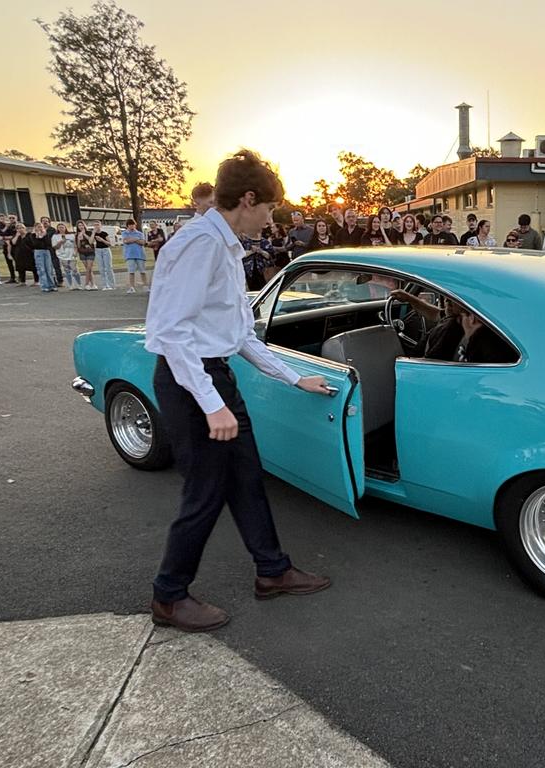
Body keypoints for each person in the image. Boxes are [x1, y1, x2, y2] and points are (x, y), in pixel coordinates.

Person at [144, 149, 332, 632]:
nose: (271, 220)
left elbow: (240, 333)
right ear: (247, 200)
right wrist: (211, 405)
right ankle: (168, 596)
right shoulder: (200, 245)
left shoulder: (225, 246)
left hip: (213, 377)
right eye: (269, 209)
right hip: (192, 383)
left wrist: (293, 376)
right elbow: (172, 334)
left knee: (246, 477)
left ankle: (272, 572)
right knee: (204, 493)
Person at [390, 290, 516, 364]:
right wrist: (409, 298)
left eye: (451, 299)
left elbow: (431, 363)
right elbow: (435, 313)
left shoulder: (452, 328)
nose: (447, 302)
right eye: (446, 299)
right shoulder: (453, 319)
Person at [122, 219, 149, 293]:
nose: (132, 226)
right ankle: (131, 287)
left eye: (133, 224)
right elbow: (126, 241)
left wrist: (133, 240)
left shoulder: (139, 233)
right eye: (130, 225)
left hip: (140, 254)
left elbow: (143, 242)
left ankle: (146, 286)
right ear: (127, 226)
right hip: (130, 255)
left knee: (142, 271)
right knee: (131, 271)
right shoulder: (125, 233)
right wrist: (136, 239)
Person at [53, 223, 83, 289]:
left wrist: (75, 252)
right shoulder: (55, 236)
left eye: (62, 227)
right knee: (67, 271)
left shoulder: (71, 235)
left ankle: (79, 284)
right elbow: (55, 247)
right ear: (57, 229)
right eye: (59, 227)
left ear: (65, 228)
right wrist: (60, 242)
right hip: (62, 256)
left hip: (72, 255)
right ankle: (71, 285)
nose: (61, 228)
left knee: (75, 269)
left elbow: (75, 245)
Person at [31, 222, 57, 292]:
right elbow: (35, 245)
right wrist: (38, 236)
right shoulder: (33, 235)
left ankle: (52, 285)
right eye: (38, 227)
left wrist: (44, 236)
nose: (40, 228)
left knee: (49, 269)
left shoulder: (46, 235)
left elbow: (48, 244)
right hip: (38, 252)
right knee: (41, 269)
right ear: (35, 228)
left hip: (46, 251)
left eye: (41, 227)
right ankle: (44, 286)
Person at [93, 221, 116, 290]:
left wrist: (102, 240)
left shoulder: (104, 234)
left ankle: (112, 285)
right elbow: (91, 242)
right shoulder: (93, 234)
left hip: (106, 250)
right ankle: (105, 285)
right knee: (101, 268)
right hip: (98, 251)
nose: (96, 226)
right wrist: (93, 233)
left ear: (100, 226)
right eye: (95, 225)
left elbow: (109, 244)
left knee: (108, 267)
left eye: (98, 225)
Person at [75, 220, 98, 290]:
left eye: (82, 225)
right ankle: (92, 284)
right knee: (89, 269)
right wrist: (79, 238)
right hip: (82, 252)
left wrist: (84, 234)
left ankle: (86, 284)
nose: (81, 227)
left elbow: (91, 241)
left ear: (84, 225)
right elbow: (78, 246)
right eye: (79, 226)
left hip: (90, 252)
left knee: (89, 268)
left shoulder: (89, 232)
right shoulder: (77, 234)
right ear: (77, 227)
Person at [41, 216, 63, 286]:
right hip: (44, 250)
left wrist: (44, 234)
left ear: (49, 222)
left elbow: (50, 240)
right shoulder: (39, 230)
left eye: (46, 221)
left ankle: (60, 281)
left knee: (56, 266)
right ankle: (52, 281)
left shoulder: (52, 230)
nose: (45, 222)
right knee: (48, 267)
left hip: (52, 250)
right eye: (43, 221)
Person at [0, 213, 18, 283]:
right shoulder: (4, 226)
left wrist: (3, 237)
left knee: (18, 262)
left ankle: (21, 277)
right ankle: (12, 277)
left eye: (13, 218)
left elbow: (14, 235)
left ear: (16, 218)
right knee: (9, 262)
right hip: (6, 246)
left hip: (16, 246)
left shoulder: (17, 226)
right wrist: (4, 237)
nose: (11, 219)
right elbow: (0, 234)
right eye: (10, 218)